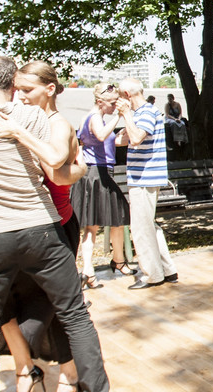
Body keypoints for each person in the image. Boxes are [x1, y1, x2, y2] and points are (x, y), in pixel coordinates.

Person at [0, 55, 109, 392]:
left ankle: (26, 372)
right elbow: (54, 165)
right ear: (12, 85)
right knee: (76, 316)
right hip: (42, 230)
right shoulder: (34, 116)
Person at [0, 60, 89, 392]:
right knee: (5, 303)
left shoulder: (55, 124)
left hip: (55, 225)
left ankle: (67, 374)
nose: (20, 97)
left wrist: (79, 169)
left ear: (50, 89)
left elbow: (57, 169)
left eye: (26, 90)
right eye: (16, 90)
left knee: (54, 306)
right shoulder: (17, 117)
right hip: (14, 225)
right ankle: (27, 368)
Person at [116, 77, 178, 289]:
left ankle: (152, 275)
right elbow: (118, 140)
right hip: (145, 176)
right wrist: (126, 118)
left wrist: (125, 114)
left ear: (126, 95)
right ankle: (167, 269)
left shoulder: (145, 112)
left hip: (144, 177)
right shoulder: (142, 113)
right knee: (149, 225)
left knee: (141, 228)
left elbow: (134, 139)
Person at [72, 83, 136, 283]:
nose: (113, 106)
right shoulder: (95, 118)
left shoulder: (92, 119)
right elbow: (100, 135)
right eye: (111, 103)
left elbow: (106, 141)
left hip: (99, 173)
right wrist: (119, 115)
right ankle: (90, 269)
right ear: (100, 102)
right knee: (96, 224)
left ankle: (115, 260)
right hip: (97, 174)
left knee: (115, 219)